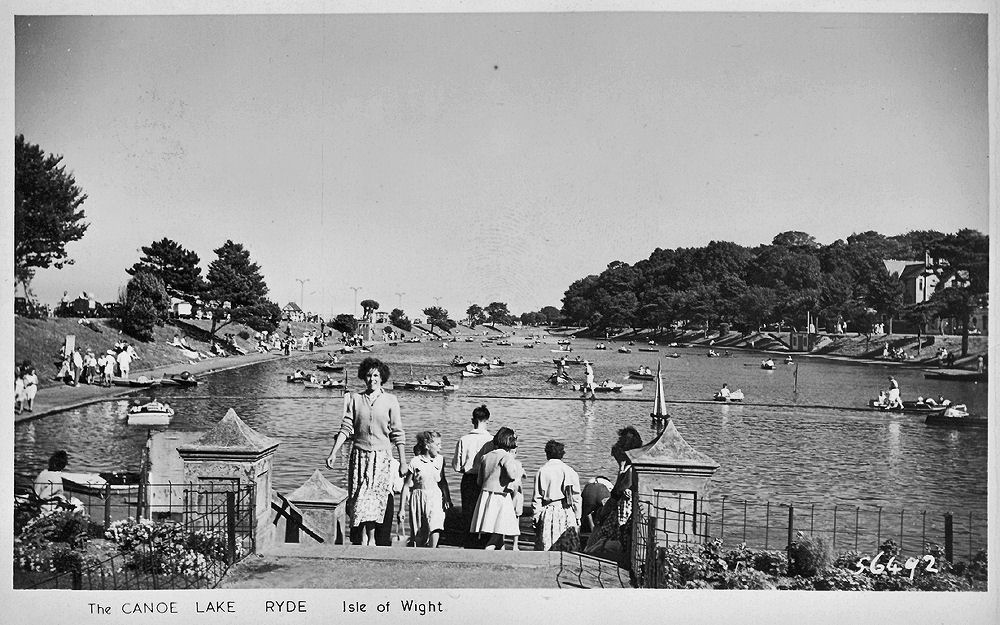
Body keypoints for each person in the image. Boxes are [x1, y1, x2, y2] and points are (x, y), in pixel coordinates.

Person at [326, 357, 407, 546]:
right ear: (364, 377)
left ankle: (372, 539)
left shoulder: (390, 400)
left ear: (382, 377)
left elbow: (398, 433)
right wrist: (333, 452)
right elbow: (346, 427)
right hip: (359, 456)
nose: (372, 379)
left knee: (374, 499)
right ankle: (361, 537)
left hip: (381, 457)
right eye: (369, 376)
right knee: (358, 497)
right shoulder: (356, 399)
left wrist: (403, 461)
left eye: (376, 375)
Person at [584, 426, 644, 571]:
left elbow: (617, 493)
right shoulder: (628, 469)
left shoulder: (630, 470)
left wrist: (620, 470)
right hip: (621, 515)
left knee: (601, 537)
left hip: (623, 517)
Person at [470, 427, 524, 550]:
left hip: (486, 495)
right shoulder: (506, 456)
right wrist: (517, 472)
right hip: (501, 495)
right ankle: (489, 549)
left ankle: (500, 552)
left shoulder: (485, 456)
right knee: (500, 526)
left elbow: (479, 481)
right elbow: (511, 475)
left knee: (497, 527)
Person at [399, 431, 452, 548]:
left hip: (435, 496)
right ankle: (421, 552)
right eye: (437, 445)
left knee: (436, 524)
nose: (440, 447)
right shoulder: (415, 462)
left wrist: (447, 498)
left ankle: (433, 551)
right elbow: (406, 486)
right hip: (418, 497)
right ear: (427, 446)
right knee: (419, 534)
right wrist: (401, 509)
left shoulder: (440, 460)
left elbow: (442, 481)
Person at [451, 405, 494, 548]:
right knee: (485, 512)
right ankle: (484, 542)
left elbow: (457, 466)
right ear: (487, 420)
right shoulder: (491, 440)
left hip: (468, 479)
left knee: (468, 512)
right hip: (485, 480)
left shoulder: (464, 439)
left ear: (472, 420)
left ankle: (469, 542)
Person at [531, 440, 582, 551]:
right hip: (566, 511)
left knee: (547, 544)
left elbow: (537, 498)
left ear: (547, 453)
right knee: (568, 547)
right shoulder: (569, 471)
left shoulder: (542, 471)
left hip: (548, 511)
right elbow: (576, 497)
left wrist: (536, 516)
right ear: (562, 454)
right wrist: (578, 516)